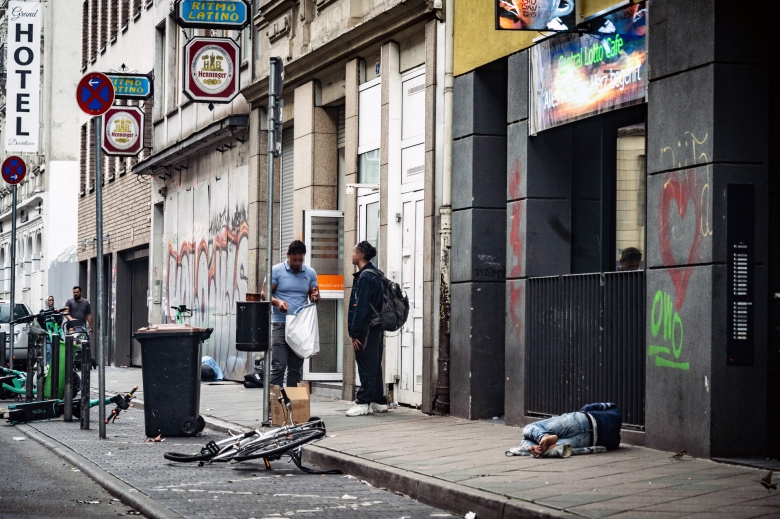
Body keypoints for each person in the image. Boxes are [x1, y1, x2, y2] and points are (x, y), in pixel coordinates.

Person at [262, 240, 319, 388]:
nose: (297, 263)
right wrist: (278, 302)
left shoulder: (310, 273)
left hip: (300, 326)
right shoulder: (276, 271)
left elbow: (315, 295)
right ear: (288, 255)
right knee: (279, 365)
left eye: (301, 260)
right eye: (294, 260)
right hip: (280, 324)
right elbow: (264, 294)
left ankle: (292, 400)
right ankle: (274, 400)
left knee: (295, 368)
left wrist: (316, 296)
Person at [345, 241, 389, 417]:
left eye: (353, 251)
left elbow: (361, 307)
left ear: (360, 254)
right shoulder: (376, 274)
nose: (351, 254)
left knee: (366, 365)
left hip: (366, 328)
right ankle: (379, 401)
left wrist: (355, 333)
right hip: (376, 326)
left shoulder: (365, 277)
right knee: (374, 364)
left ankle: (363, 403)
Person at [517, 403, 622, 457]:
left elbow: (588, 407)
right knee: (527, 439)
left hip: (581, 420)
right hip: (590, 440)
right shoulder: (615, 441)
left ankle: (543, 438)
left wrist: (582, 412)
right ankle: (543, 444)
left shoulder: (614, 409)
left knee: (529, 427)